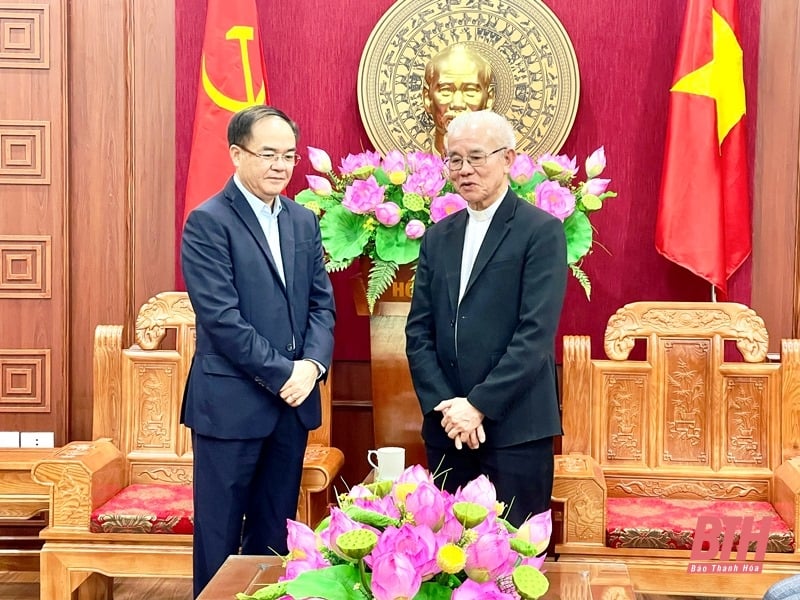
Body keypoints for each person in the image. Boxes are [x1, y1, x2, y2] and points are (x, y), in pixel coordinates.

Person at [180, 105, 335, 597]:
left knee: (274, 537)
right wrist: (283, 372)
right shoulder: (208, 222)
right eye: (267, 154)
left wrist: (310, 366)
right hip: (231, 405)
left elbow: (321, 305)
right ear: (236, 154)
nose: (280, 166)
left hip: (290, 407)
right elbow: (222, 321)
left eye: (288, 155)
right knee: (220, 539)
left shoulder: (302, 221)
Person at [405, 109, 567, 526]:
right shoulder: (439, 236)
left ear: (508, 158)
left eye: (476, 157)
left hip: (515, 429)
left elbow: (534, 337)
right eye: (454, 160)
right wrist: (448, 407)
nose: (464, 170)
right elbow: (418, 331)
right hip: (449, 429)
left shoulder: (540, 231)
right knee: (446, 564)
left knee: (513, 566)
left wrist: (477, 405)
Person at [423, 43, 495, 156]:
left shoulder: (506, 173)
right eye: (445, 90)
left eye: (470, 90)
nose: (457, 104)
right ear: (427, 99)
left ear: (489, 100)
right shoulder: (403, 172)